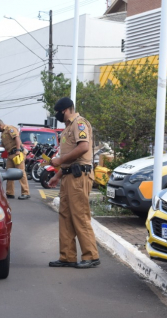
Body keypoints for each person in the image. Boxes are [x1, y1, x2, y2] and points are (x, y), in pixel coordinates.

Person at [46, 97, 100, 269]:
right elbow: (70, 159)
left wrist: (60, 159)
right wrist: (58, 175)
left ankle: (91, 256)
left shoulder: (79, 123)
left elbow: (83, 147)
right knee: (65, 216)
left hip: (79, 177)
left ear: (66, 110)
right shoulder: (68, 128)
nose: (58, 115)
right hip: (69, 175)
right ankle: (67, 256)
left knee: (79, 215)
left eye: (59, 112)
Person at [0, 119, 30, 200]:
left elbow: (17, 138)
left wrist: (17, 150)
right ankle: (10, 193)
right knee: (9, 174)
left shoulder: (10, 129)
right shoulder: (2, 133)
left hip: (17, 153)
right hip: (10, 155)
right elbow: (3, 145)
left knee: (21, 173)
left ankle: (25, 193)